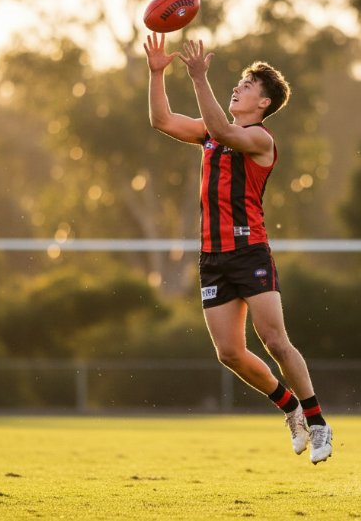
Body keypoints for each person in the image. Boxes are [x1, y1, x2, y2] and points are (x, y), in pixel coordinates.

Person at [142, 32, 332, 464]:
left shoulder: (261, 140)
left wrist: (197, 78)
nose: (238, 88)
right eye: (240, 83)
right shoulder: (209, 136)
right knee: (228, 352)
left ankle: (319, 422)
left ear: (263, 104)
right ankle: (290, 409)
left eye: (247, 86)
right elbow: (162, 120)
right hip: (213, 257)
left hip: (249, 252)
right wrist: (157, 74)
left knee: (275, 341)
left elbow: (225, 130)